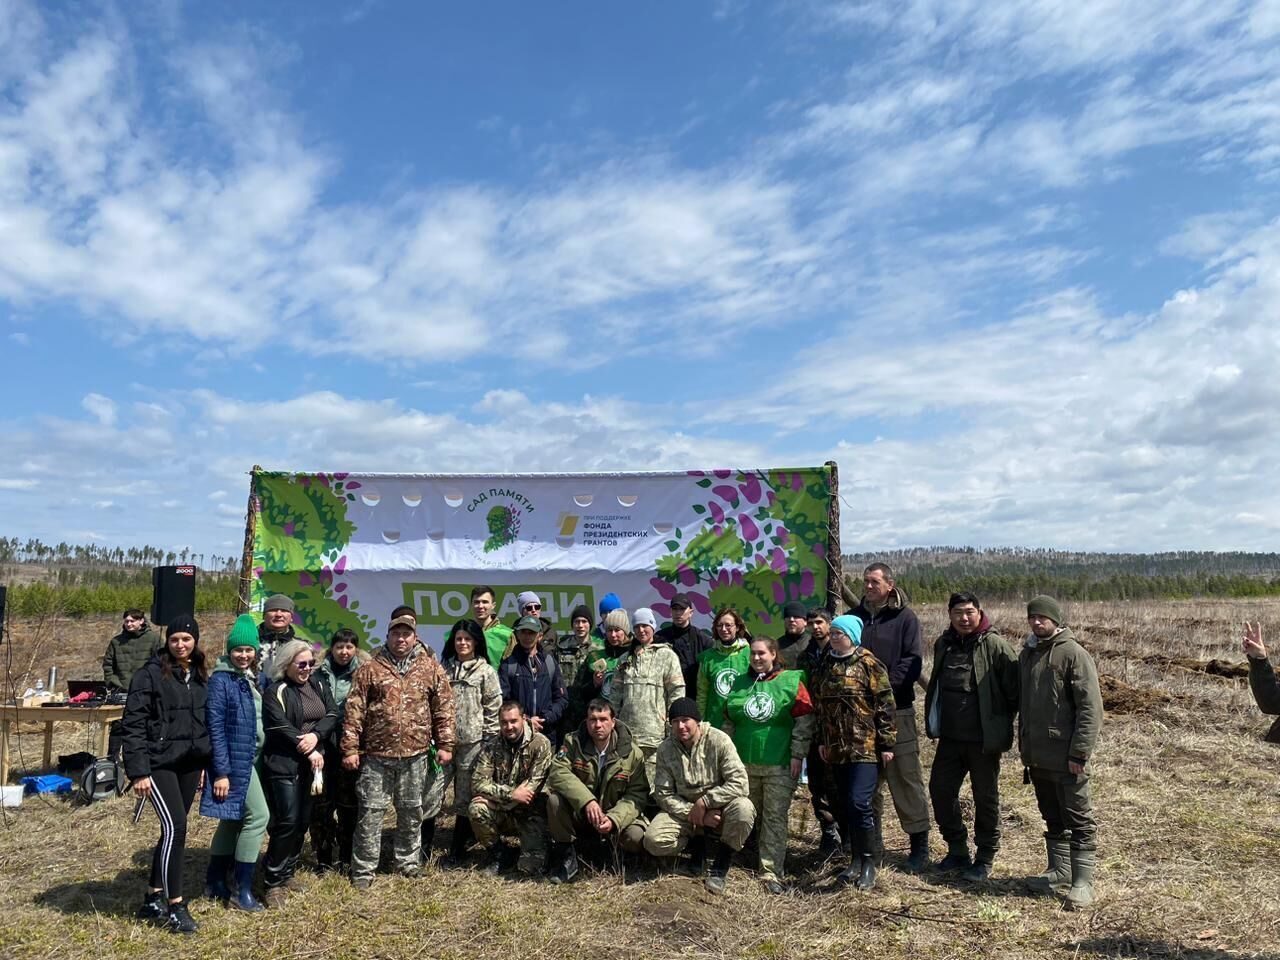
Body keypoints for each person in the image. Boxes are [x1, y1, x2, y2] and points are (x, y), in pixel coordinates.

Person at [341, 613, 456, 889]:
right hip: (377, 757)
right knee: (370, 812)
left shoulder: (429, 668)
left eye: (406, 634)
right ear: (388, 636)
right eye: (396, 634)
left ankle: (407, 862)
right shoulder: (370, 668)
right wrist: (350, 748)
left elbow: (444, 708)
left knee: (411, 811)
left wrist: (446, 744)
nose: (401, 639)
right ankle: (364, 869)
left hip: (415, 755)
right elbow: (354, 710)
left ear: (414, 637)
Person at [120, 613, 210, 935]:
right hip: (158, 764)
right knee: (178, 827)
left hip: (188, 763)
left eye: (187, 639)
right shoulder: (149, 675)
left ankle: (151, 897)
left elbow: (200, 721)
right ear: (167, 641)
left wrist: (202, 762)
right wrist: (138, 771)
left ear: (195, 641)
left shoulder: (199, 674)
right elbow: (132, 725)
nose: (181, 644)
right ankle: (176, 906)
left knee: (171, 830)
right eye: (175, 639)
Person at [923, 593, 1019, 882]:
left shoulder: (995, 645)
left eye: (969, 612)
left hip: (983, 742)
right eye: (957, 613)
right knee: (940, 790)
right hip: (950, 739)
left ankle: (985, 856)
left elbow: (1015, 692)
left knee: (985, 797)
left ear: (979, 611)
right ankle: (957, 850)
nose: (964, 618)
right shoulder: (944, 644)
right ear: (949, 614)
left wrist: (998, 724)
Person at [1019, 596, 1102, 910]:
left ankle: (1083, 882)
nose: (1037, 622)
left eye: (1043, 618)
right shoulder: (1027, 653)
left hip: (1067, 756)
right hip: (1037, 756)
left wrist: (1079, 753)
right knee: (1051, 815)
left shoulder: (1073, 654)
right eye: (1033, 617)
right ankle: (1059, 871)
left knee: (1079, 818)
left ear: (1055, 620)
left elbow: (1090, 709)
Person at [852, 563, 931, 871]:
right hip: (860, 715)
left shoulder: (904, 619)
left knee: (905, 778)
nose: (869, 587)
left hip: (897, 710)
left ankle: (919, 847)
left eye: (874, 582)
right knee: (866, 782)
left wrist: (882, 689)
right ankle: (871, 849)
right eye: (865, 582)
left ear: (889, 584)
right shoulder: (856, 618)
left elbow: (912, 662)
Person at [722, 636, 814, 894]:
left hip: (779, 765)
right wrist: (725, 759)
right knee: (747, 815)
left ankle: (770, 871)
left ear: (774, 654)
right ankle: (738, 860)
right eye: (752, 654)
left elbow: (804, 721)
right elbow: (728, 723)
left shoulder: (791, 681)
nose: (756, 658)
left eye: (762, 653)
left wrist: (798, 754)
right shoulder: (740, 683)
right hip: (743, 766)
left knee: (774, 818)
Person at [811, 614, 896, 890]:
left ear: (853, 635)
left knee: (860, 803)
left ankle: (870, 863)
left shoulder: (869, 663)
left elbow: (885, 705)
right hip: (835, 748)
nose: (835, 637)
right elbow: (819, 706)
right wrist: (821, 740)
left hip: (864, 747)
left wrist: (887, 743)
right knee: (846, 804)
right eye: (833, 633)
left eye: (840, 633)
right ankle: (855, 861)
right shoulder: (826, 663)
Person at [643, 698, 756, 895]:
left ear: (697, 720)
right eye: (675, 721)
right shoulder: (666, 749)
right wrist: (695, 814)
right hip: (685, 812)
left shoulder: (719, 740)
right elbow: (663, 793)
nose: (681, 726)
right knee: (653, 841)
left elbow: (740, 783)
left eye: (686, 719)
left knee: (744, 810)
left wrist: (706, 802)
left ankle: (721, 863)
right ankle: (696, 844)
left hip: (720, 808)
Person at [201, 615, 270, 913]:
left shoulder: (247, 678)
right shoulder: (221, 680)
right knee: (258, 817)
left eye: (249, 650)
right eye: (238, 650)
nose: (244, 655)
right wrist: (221, 772)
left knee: (232, 820)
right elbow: (214, 728)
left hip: (250, 759)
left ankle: (215, 882)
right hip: (235, 764)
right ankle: (241, 892)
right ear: (229, 650)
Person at [261, 640, 339, 906]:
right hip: (284, 764)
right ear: (287, 664)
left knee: (303, 820)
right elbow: (279, 726)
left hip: (313, 764)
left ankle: (288, 872)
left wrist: (316, 736)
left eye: (310, 663)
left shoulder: (318, 684)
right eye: (301, 664)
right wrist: (307, 747)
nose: (307, 668)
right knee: (287, 821)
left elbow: (332, 713)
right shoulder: (276, 691)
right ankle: (272, 882)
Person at [546, 698, 649, 883]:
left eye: (603, 719)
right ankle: (566, 856)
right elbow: (557, 772)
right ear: (586, 721)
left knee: (635, 836)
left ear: (613, 722)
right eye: (592, 720)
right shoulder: (573, 742)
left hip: (612, 815)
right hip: (582, 814)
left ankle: (616, 855)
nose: (597, 725)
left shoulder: (632, 753)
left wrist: (614, 818)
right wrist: (587, 801)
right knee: (554, 801)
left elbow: (637, 794)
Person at [438, 619, 501, 867]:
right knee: (431, 792)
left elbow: (493, 710)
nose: (462, 643)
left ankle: (457, 849)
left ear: (476, 642)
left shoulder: (486, 672)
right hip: (444, 744)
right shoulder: (443, 670)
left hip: (474, 745)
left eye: (467, 639)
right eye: (458, 639)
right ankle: (422, 843)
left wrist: (489, 744)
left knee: (464, 798)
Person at [469, 700, 554, 876]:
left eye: (513, 721)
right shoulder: (492, 746)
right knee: (477, 809)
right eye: (504, 722)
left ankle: (537, 849)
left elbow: (530, 791)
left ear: (523, 719)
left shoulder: (541, 744)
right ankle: (500, 854)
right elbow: (477, 783)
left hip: (531, 813)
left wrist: (495, 801)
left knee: (529, 870)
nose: (509, 727)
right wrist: (510, 795)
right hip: (505, 812)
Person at [608, 607, 685, 788]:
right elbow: (614, 695)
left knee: (653, 787)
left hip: (655, 737)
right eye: (637, 627)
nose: (641, 631)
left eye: (645, 626)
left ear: (653, 626)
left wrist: (671, 724)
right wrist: (613, 725)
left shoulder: (667, 656)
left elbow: (677, 692)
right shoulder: (625, 659)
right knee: (628, 785)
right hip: (627, 736)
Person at [311, 628, 368, 873]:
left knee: (348, 807)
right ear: (331, 649)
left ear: (356, 649)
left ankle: (346, 857)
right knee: (321, 806)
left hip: (351, 750)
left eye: (349, 647)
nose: (344, 652)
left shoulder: (365, 674)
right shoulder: (316, 674)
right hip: (322, 749)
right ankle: (323, 858)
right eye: (339, 647)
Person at [799, 607, 840, 854]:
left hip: (837, 730)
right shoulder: (805, 657)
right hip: (813, 730)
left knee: (837, 783)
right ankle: (827, 831)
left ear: (830, 624)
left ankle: (845, 833)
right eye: (811, 623)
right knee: (817, 784)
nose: (816, 627)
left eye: (820, 622)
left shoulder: (838, 653)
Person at [498, 615, 569, 744]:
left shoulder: (549, 662)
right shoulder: (508, 665)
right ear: (517, 635)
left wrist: (546, 718)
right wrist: (526, 720)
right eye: (523, 632)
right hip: (518, 736)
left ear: (540, 636)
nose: (527, 636)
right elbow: (503, 701)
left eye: (531, 632)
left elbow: (561, 698)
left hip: (547, 735)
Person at [104, 608, 164, 760]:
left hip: (144, 689)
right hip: (121, 688)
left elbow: (161, 662)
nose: (129, 624)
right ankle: (113, 760)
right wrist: (111, 682)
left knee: (142, 725)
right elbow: (108, 663)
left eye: (132, 621)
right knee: (118, 726)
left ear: (141, 621)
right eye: (126, 621)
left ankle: (139, 758)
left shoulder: (153, 639)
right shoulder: (116, 642)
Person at [568, 609, 632, 722]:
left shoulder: (634, 654)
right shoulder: (595, 656)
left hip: (629, 716)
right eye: (609, 630)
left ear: (625, 631)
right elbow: (583, 693)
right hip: (602, 719)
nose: (613, 635)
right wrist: (594, 683)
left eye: (617, 630)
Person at [696, 608, 751, 730]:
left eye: (728, 625)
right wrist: (700, 721)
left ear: (737, 627)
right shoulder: (707, 658)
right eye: (719, 625)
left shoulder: (750, 654)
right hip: (715, 723)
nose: (724, 629)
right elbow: (702, 693)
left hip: (743, 722)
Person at [552, 604, 602, 738]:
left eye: (584, 621)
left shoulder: (599, 648)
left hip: (590, 708)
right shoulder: (562, 646)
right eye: (576, 622)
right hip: (566, 709)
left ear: (590, 624)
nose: (580, 625)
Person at [655, 593, 713, 694]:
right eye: (675, 609)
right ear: (670, 612)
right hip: (667, 694)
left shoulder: (703, 639)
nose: (678, 613)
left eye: (682, 609)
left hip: (695, 695)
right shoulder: (660, 638)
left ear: (691, 612)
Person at [471, 585, 514, 666]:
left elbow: (513, 668)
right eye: (476, 602)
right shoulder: (463, 633)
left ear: (493, 605)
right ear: (471, 605)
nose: (480, 606)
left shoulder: (506, 634)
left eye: (485, 602)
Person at [257, 595, 298, 681]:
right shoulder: (251, 643)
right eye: (273, 610)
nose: (279, 614)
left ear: (291, 617)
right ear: (264, 615)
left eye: (284, 610)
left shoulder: (300, 647)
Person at [775, 601, 813, 670]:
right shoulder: (776, 645)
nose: (791, 620)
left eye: (796, 616)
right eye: (788, 616)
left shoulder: (814, 642)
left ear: (805, 622)